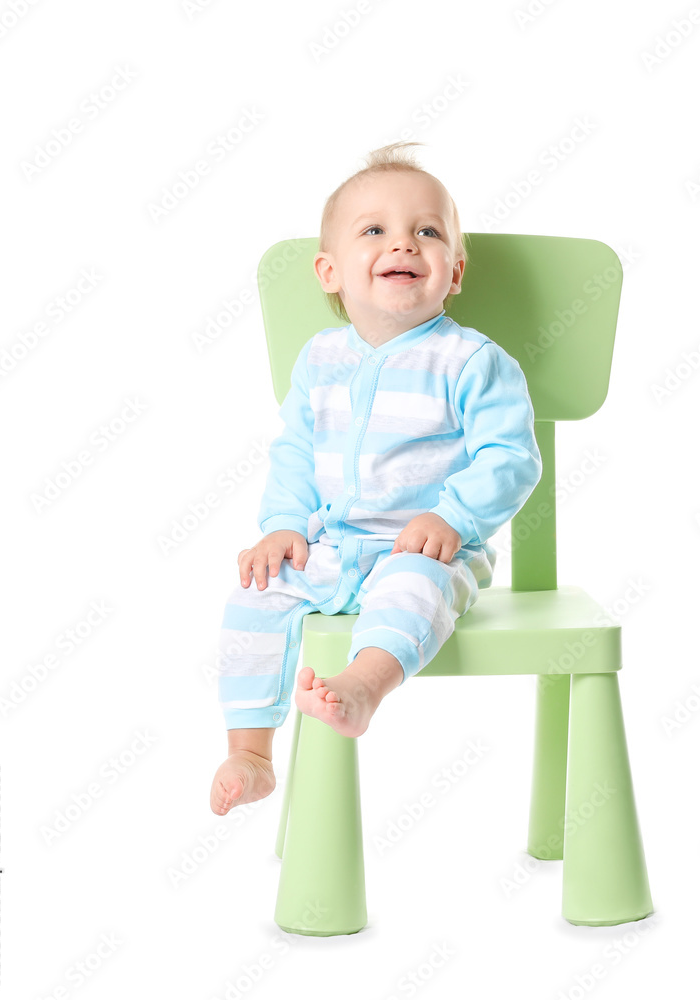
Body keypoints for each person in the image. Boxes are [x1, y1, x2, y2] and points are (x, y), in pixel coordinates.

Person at [209, 141, 542, 816]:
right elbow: (297, 451)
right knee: (256, 591)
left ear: (452, 274)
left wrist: (452, 517)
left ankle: (361, 687)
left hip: (432, 549)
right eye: (375, 230)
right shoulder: (321, 357)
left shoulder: (470, 361)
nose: (405, 243)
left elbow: (510, 457)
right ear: (329, 271)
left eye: (428, 231)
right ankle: (249, 749)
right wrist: (281, 527)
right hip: (331, 548)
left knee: (412, 587)